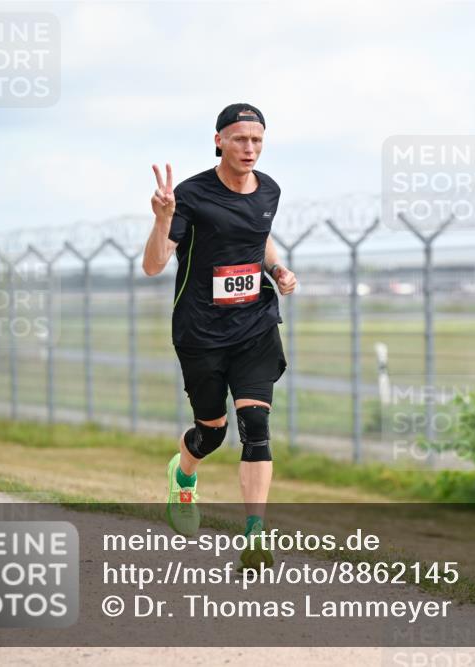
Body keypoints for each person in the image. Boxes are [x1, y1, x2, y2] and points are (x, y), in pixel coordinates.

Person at [141, 103, 297, 570]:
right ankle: (183, 472)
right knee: (212, 434)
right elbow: (153, 266)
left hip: (254, 325)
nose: (250, 148)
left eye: (257, 140)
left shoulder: (269, 189)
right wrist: (162, 219)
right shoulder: (190, 195)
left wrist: (277, 268)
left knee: (256, 427)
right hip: (201, 332)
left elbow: (258, 234)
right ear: (219, 141)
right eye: (240, 139)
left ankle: (255, 537)